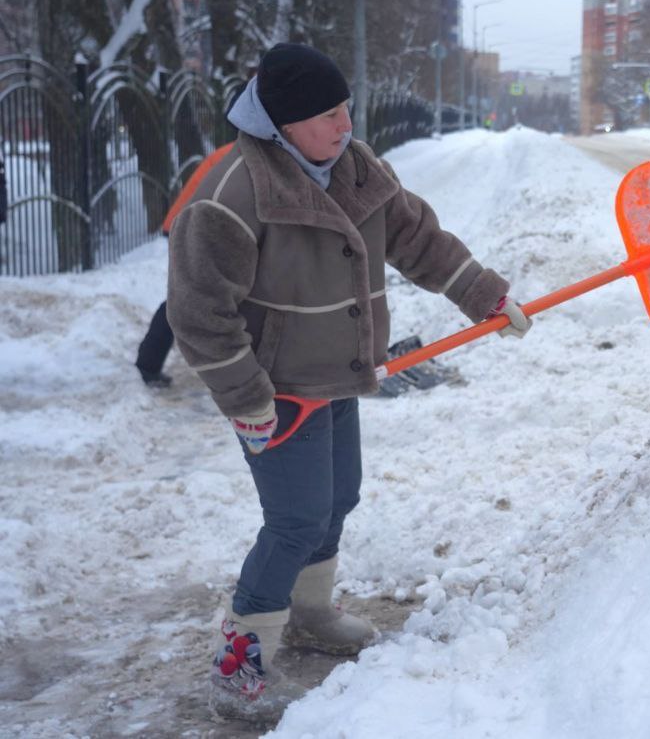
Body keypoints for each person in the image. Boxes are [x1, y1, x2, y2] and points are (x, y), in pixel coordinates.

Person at [165, 42, 532, 725]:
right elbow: (198, 311)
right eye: (327, 116)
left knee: (340, 495)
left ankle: (307, 613)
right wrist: (246, 397)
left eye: (346, 110)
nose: (345, 127)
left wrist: (482, 293)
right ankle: (238, 657)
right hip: (275, 391)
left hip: (337, 374)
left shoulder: (354, 167)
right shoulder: (236, 190)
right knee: (296, 517)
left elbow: (419, 238)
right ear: (281, 122)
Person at [135, 142, 236, 388]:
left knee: (190, 299)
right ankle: (148, 365)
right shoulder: (243, 156)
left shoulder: (233, 151)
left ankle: (149, 363)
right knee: (186, 300)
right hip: (194, 227)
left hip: (191, 224)